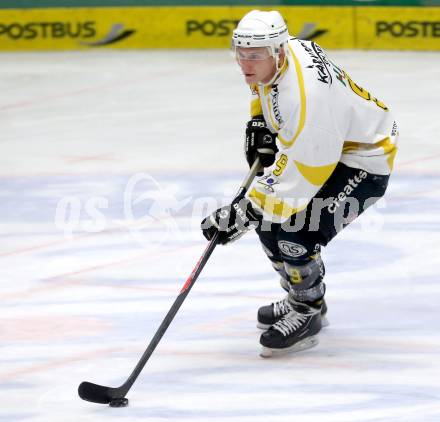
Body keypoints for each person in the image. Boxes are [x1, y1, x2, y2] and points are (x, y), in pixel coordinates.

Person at [201, 10, 398, 357]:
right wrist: (260, 121)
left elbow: (303, 176)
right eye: (241, 54)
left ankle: (308, 310)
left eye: (254, 56)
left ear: (277, 51)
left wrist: (243, 211)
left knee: (296, 231)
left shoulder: (307, 101)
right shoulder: (282, 53)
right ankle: (298, 296)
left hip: (363, 159)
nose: (245, 64)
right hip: (329, 147)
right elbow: (262, 88)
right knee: (267, 222)